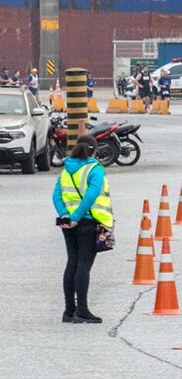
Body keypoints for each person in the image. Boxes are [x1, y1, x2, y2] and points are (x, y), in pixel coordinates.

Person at [53, 138, 112, 324]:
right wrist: (77, 217)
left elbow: (56, 196)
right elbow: (91, 196)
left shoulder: (66, 170)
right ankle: (82, 310)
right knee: (83, 266)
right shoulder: (94, 169)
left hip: (67, 224)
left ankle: (69, 311)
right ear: (94, 152)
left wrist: (66, 216)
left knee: (72, 263)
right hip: (87, 223)